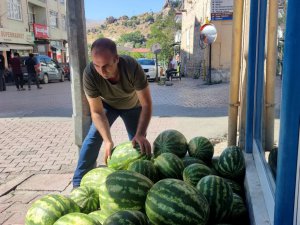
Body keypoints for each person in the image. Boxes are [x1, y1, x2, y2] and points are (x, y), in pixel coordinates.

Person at [72, 38, 152, 188]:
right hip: (108, 105)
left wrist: (140, 133)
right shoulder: (89, 73)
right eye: (97, 65)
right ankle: (77, 184)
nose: (102, 72)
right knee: (93, 138)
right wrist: (108, 140)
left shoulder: (131, 66)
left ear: (116, 59)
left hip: (133, 106)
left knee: (137, 146)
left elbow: (147, 104)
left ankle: (141, 184)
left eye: (106, 66)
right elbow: (96, 111)